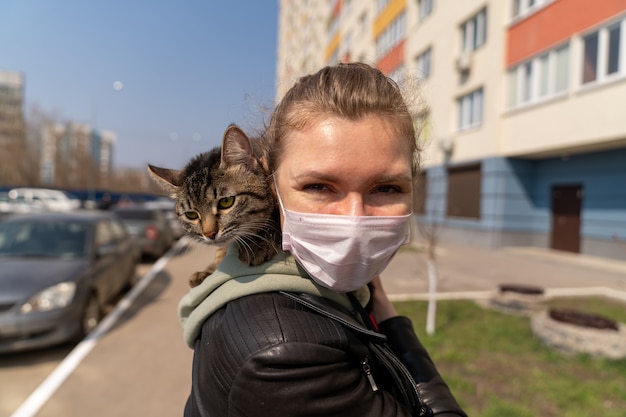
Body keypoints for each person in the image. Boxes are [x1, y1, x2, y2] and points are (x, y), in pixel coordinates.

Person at [179, 62, 467, 417]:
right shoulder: (281, 354)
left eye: (387, 188)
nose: (354, 220)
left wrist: (377, 304)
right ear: (271, 184)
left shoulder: (321, 287)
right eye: (318, 186)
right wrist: (392, 321)